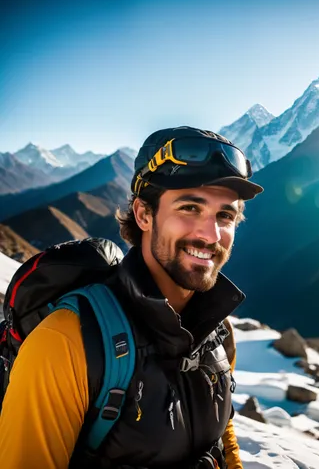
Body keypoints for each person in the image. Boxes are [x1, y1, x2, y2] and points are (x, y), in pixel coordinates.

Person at [0, 126, 263, 468]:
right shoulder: (67, 340)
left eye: (225, 215)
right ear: (143, 214)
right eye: (189, 208)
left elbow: (222, 441)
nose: (210, 234)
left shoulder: (218, 331)